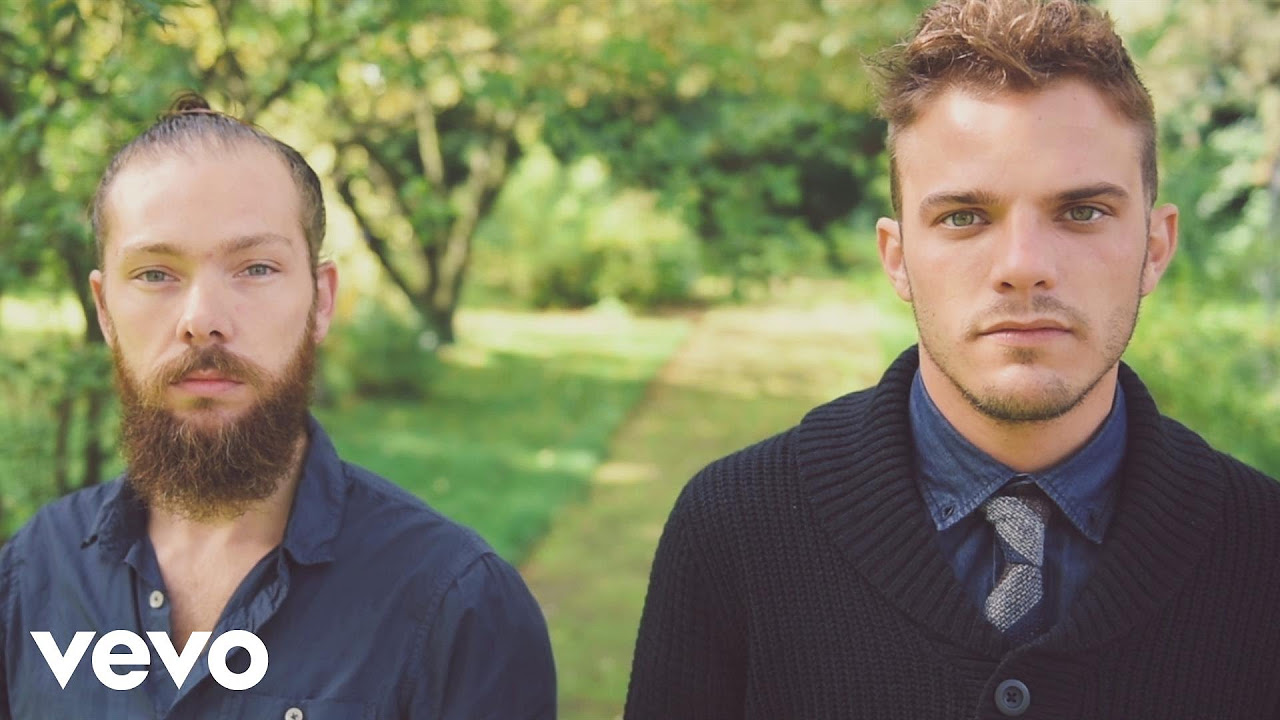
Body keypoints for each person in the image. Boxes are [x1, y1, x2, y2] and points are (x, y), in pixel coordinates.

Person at [625, 0, 1280, 717]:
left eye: (1082, 212)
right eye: (964, 217)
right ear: (897, 257)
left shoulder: (1263, 552)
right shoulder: (735, 529)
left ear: (1155, 247)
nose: (1023, 266)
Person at [0, 94, 555, 719]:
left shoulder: (458, 608)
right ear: (104, 311)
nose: (202, 320)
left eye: (256, 268)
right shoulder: (31, 576)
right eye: (155, 274)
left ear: (321, 301)